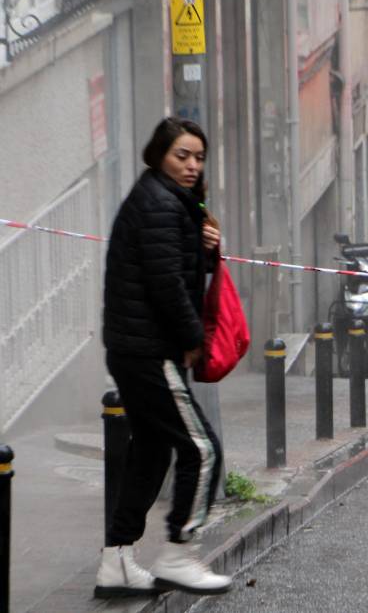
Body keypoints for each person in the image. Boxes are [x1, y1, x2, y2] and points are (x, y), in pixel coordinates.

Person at [94, 117, 232, 598]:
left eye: (199, 157)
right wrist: (194, 338)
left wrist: (206, 248)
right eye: (182, 155)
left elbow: (177, 268)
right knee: (202, 449)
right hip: (149, 351)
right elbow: (167, 284)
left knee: (151, 453)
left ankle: (116, 562)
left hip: (136, 348)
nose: (193, 165)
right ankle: (178, 554)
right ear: (159, 155)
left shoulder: (167, 200)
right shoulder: (159, 204)